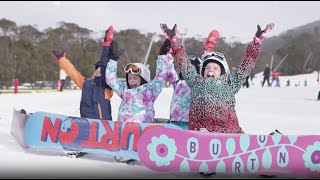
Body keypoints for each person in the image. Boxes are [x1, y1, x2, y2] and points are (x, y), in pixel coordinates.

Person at [166, 23, 274, 134]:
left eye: (215, 68)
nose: (210, 70)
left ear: (222, 72)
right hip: (200, 134)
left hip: (228, 134)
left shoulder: (229, 83)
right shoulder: (196, 82)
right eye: (207, 67)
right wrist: (174, 41)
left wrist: (256, 43)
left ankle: (268, 141)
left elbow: (246, 66)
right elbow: (184, 63)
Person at [50, 26, 114, 158]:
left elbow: (106, 65)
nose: (99, 71)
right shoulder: (85, 83)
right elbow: (72, 73)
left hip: (104, 129)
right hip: (86, 126)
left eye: (102, 70)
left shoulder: (107, 87)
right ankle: (79, 146)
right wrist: (62, 60)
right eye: (97, 69)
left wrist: (107, 45)